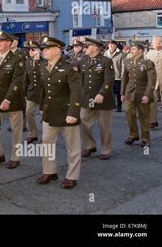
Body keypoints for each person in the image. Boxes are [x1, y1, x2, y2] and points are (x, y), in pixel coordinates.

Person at [37, 36, 82, 189]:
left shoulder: (69, 67)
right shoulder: (43, 66)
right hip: (50, 112)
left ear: (57, 50)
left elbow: (76, 92)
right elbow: (44, 87)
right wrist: (42, 106)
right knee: (47, 143)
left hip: (66, 112)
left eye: (47, 48)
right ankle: (49, 171)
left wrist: (73, 113)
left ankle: (72, 176)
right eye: (43, 48)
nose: (44, 51)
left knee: (72, 146)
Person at [78, 38, 116, 160]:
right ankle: (90, 146)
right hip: (87, 98)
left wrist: (102, 93)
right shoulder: (84, 61)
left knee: (104, 126)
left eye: (87, 46)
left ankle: (105, 150)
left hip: (102, 99)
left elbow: (109, 79)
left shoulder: (106, 61)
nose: (85, 49)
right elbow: (81, 80)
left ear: (94, 47)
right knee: (84, 121)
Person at [0, 30, 25, 169]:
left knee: (16, 131)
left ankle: (15, 157)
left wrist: (8, 99)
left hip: (13, 100)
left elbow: (17, 81)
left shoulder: (17, 58)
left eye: (2, 41)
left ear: (9, 43)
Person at [121, 42, 156, 148]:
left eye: (134, 49)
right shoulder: (128, 61)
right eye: (131, 49)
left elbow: (151, 80)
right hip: (130, 93)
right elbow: (124, 78)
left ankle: (145, 139)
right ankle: (133, 135)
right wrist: (122, 93)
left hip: (143, 92)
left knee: (144, 117)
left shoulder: (147, 62)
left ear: (140, 50)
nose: (131, 50)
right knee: (129, 113)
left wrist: (147, 95)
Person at [24, 40, 45, 144]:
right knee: (28, 112)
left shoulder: (44, 61)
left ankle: (45, 136)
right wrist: (24, 94)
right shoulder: (27, 62)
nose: (31, 52)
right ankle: (33, 134)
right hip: (31, 92)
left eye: (33, 49)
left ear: (39, 50)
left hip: (43, 92)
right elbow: (26, 79)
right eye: (29, 50)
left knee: (43, 114)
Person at [147, 36, 162, 129]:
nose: (152, 43)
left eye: (154, 42)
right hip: (153, 82)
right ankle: (153, 121)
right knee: (152, 101)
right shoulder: (150, 54)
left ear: (160, 44)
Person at [104, 40, 125, 112]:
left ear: (116, 45)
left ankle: (119, 106)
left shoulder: (120, 54)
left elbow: (123, 66)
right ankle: (111, 105)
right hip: (108, 77)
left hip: (117, 77)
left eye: (113, 44)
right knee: (109, 92)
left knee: (119, 93)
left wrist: (122, 75)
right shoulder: (105, 53)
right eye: (110, 45)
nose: (111, 46)